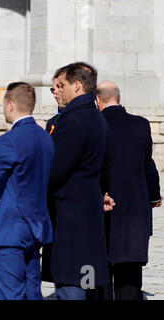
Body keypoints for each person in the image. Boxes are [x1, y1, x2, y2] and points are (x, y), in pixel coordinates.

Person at [42, 62, 110, 300]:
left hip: (70, 218)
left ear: (77, 86)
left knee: (71, 286)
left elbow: (54, 170)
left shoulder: (73, 120)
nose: (57, 91)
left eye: (61, 85)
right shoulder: (95, 117)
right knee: (87, 279)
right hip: (87, 213)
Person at [0, 82, 54, 300]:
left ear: (10, 104)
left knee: (10, 294)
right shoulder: (46, 138)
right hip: (36, 228)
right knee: (32, 292)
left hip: (10, 230)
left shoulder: (9, 141)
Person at [96, 80, 162, 300]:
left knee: (100, 273)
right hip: (135, 211)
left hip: (105, 206)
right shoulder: (140, 125)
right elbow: (147, 165)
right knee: (130, 275)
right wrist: (154, 195)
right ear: (119, 99)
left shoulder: (95, 125)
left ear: (98, 100)